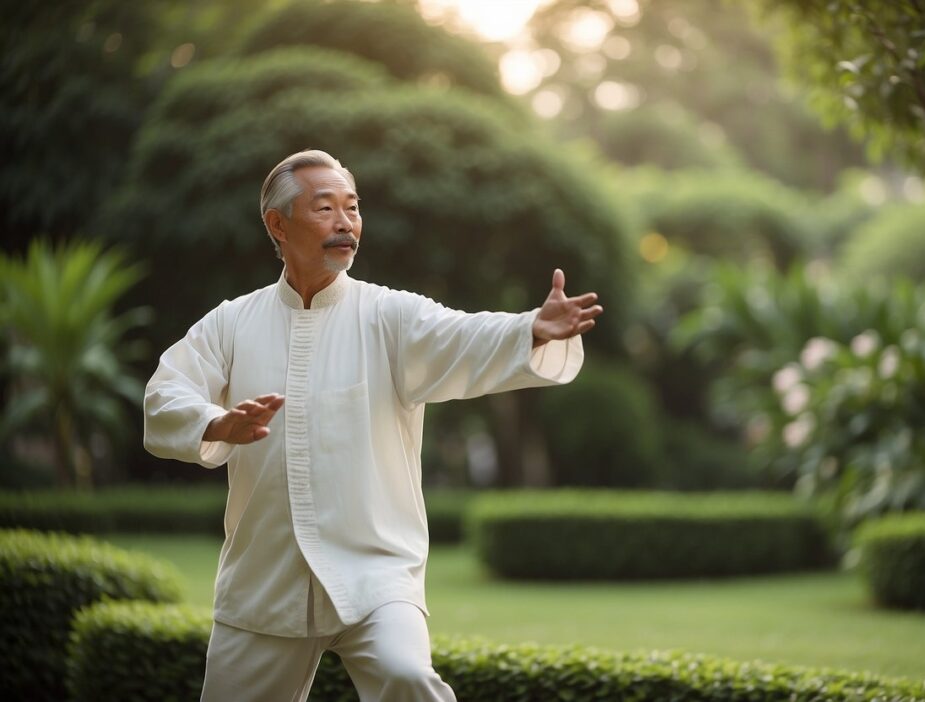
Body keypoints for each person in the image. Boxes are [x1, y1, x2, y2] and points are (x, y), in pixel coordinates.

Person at [143, 149, 603, 701]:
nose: (345, 223)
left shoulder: (390, 315)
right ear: (277, 224)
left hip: (376, 574)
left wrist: (532, 327)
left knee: (407, 678)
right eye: (325, 208)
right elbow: (165, 393)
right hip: (263, 580)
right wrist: (217, 424)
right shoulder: (232, 322)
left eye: (353, 208)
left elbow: (463, 336)